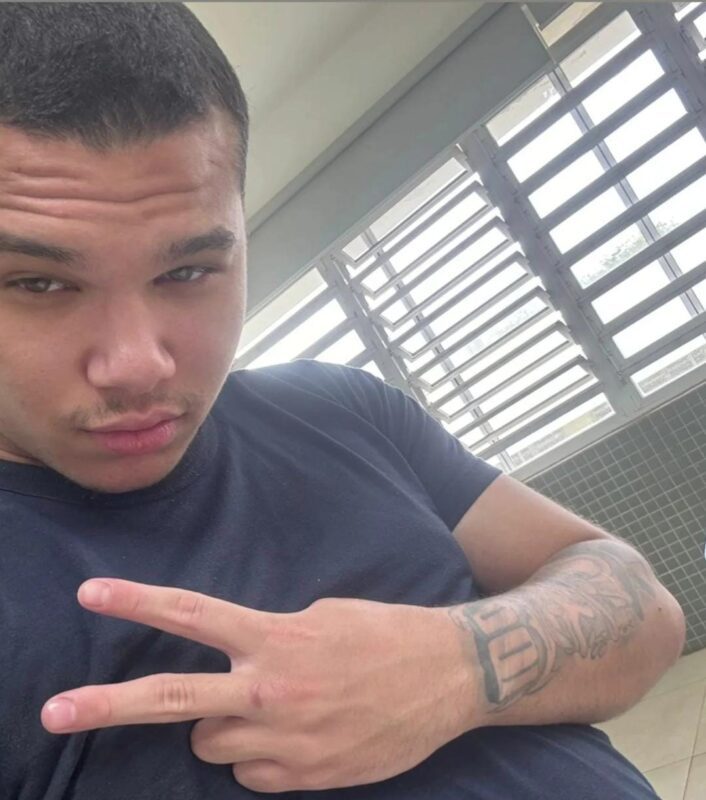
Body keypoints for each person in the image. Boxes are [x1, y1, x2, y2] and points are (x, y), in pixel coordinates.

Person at [0, 4, 685, 799]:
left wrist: (456, 664)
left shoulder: (335, 406)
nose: (137, 365)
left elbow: (644, 610)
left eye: (187, 272)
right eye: (38, 283)